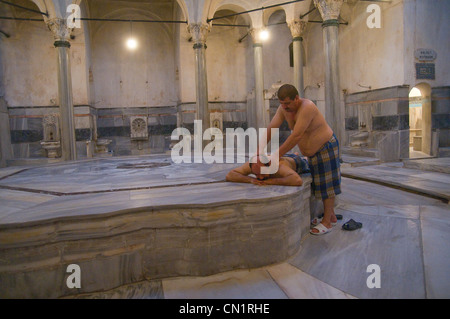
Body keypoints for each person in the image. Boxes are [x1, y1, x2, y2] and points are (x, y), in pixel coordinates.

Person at [254, 84, 341, 235]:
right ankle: (331, 215)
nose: (285, 107)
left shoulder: (307, 107)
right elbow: (271, 128)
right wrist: (258, 151)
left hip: (326, 147)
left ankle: (327, 222)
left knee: (327, 186)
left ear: (296, 98)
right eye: (282, 104)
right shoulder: (283, 110)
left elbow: (296, 135)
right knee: (318, 183)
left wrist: (276, 155)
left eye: (287, 103)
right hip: (313, 152)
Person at [226, 153, 310, 187]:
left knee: (305, 161)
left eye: (263, 173)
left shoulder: (279, 166)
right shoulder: (253, 164)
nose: (260, 178)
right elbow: (230, 175)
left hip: (296, 162)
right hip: (274, 156)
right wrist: (251, 180)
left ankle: (300, 156)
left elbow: (297, 180)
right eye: (256, 174)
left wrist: (270, 181)